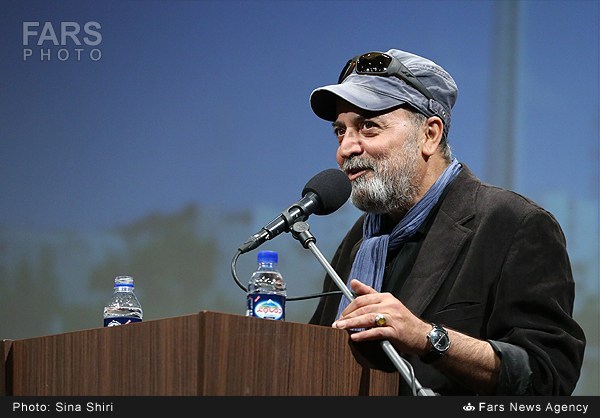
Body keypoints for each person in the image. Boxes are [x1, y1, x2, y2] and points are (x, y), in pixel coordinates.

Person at [307, 49, 586, 395]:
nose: (346, 148)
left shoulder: (515, 224)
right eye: (340, 131)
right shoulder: (360, 241)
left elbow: (548, 378)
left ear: (430, 134)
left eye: (368, 126)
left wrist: (428, 338)